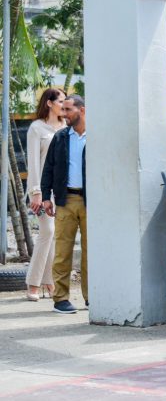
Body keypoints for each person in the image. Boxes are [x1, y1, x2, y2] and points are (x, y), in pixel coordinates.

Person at [40, 95, 87, 314]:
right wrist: (47, 197)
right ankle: (60, 299)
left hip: (91, 202)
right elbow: (48, 168)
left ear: (82, 110)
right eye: (63, 109)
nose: (64, 114)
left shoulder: (96, 137)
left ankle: (92, 297)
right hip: (65, 201)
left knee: (92, 252)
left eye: (68, 109)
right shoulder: (60, 138)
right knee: (62, 252)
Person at [25, 88, 66, 301]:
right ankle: (33, 283)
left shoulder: (67, 127)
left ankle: (49, 283)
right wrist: (35, 192)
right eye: (61, 101)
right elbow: (32, 163)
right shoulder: (36, 128)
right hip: (41, 191)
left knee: (55, 235)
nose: (64, 105)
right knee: (47, 231)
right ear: (49, 103)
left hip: (62, 191)